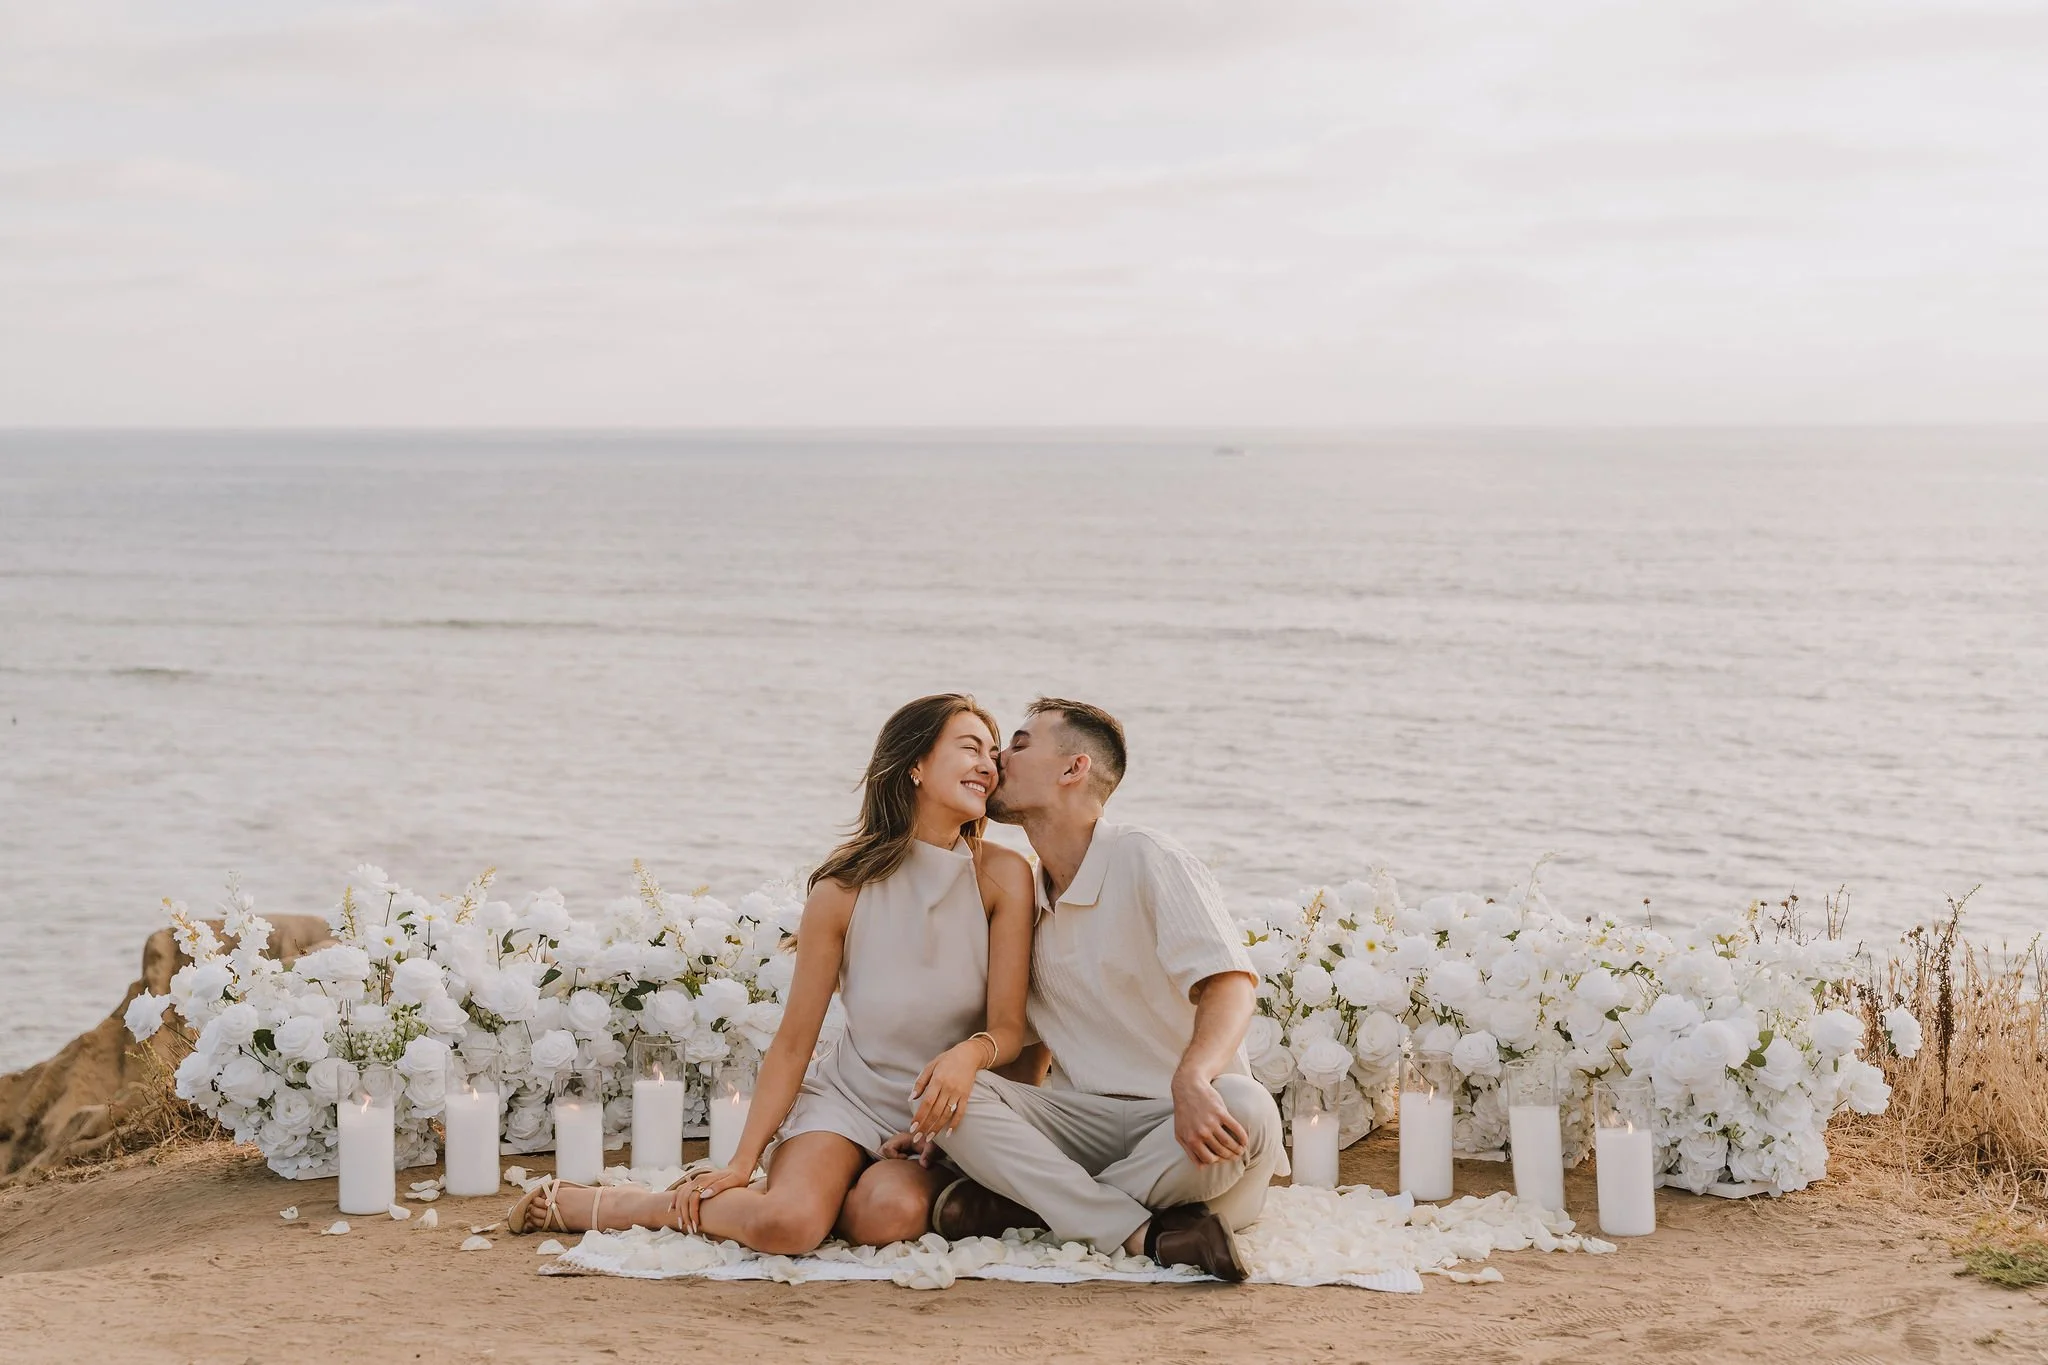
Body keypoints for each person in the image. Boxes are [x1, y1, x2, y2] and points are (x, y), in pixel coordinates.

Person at [510, 692, 1038, 1251]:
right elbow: (794, 1041)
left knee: (889, 1216)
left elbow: (1008, 1030)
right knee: (787, 1226)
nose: (988, 763)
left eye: (993, 752)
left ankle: (814, 1191)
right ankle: (630, 1205)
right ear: (914, 764)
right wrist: (740, 1162)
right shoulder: (842, 890)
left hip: (942, 1117)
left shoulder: (1004, 878)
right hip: (849, 1103)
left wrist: (965, 1098)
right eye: (969, 747)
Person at [923, 698, 1282, 1282]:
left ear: (1073, 769)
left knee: (1247, 1105)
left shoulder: (1148, 857)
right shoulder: (1021, 895)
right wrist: (966, 1126)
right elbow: (1030, 1045)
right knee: (946, 1099)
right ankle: (1148, 1230)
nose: (997, 758)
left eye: (1017, 744)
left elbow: (1231, 985)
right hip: (1084, 1125)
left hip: (1185, 1130)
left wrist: (1191, 1080)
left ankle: (1030, 1208)